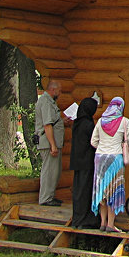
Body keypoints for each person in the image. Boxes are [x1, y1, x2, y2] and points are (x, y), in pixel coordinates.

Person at [91, 96, 129, 232]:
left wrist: (103, 149)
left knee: (102, 191)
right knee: (113, 191)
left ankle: (102, 222)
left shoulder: (101, 121)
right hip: (115, 159)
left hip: (100, 158)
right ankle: (111, 224)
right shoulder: (125, 122)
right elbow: (128, 141)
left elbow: (93, 142)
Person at [69, 96, 101, 228]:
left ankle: (78, 217)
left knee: (78, 190)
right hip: (86, 161)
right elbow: (93, 142)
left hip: (77, 161)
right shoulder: (88, 124)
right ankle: (85, 219)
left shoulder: (78, 122)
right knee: (85, 190)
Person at [35, 78, 65, 206]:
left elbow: (53, 121)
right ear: (53, 90)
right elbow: (47, 125)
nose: (60, 93)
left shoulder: (50, 102)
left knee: (54, 171)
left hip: (52, 143)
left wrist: (63, 121)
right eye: (59, 91)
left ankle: (50, 196)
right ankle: (45, 198)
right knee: (49, 171)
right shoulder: (46, 102)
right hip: (48, 143)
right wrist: (53, 145)